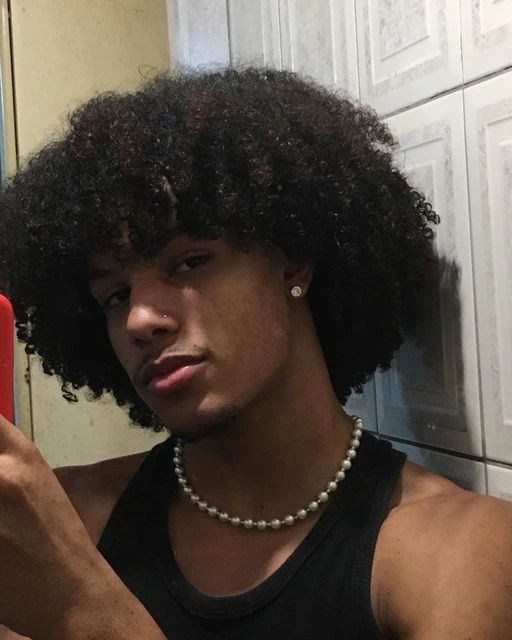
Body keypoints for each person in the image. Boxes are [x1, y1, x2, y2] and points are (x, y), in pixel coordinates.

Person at [0, 67, 510, 640]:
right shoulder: (63, 522)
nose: (139, 320)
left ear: (293, 262)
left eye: (189, 262)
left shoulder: (458, 551)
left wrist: (83, 611)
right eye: (115, 296)